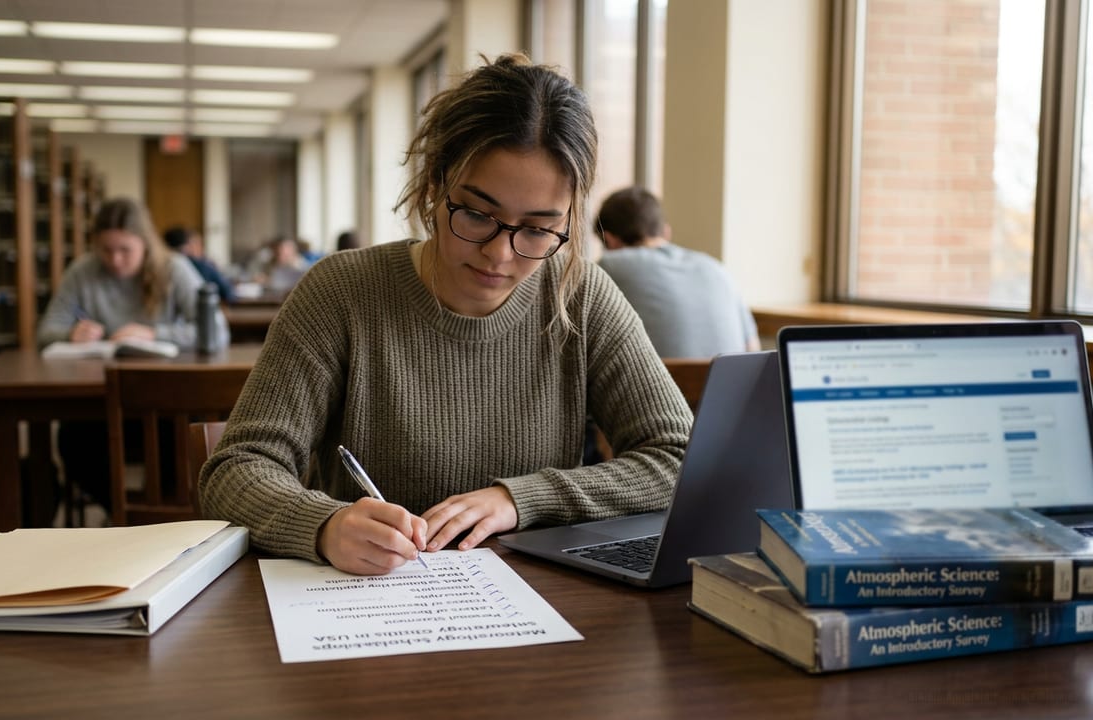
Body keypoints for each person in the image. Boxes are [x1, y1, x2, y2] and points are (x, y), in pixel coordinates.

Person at [199, 53, 692, 576]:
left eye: (538, 229)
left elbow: (679, 458)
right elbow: (235, 470)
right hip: (369, 607)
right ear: (435, 184)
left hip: (542, 613)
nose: (500, 255)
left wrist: (523, 498)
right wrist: (324, 526)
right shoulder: (341, 293)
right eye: (478, 215)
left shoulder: (580, 296)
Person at [37, 197, 230, 515]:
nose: (114, 260)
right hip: (99, 403)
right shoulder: (83, 272)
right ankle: (123, 515)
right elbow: (46, 331)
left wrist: (154, 333)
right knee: (71, 441)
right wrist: (70, 334)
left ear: (145, 243)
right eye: (105, 249)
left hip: (167, 401)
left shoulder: (173, 268)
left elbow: (217, 331)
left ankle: (161, 522)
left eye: (125, 250)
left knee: (175, 438)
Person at [595, 186, 760, 357]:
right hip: (729, 383)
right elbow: (752, 347)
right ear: (666, 232)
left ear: (610, 240)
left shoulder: (609, 266)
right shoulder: (716, 268)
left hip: (658, 383)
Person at [164, 225, 239, 304]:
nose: (201, 248)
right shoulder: (202, 266)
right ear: (187, 246)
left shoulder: (161, 267)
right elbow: (228, 292)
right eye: (197, 243)